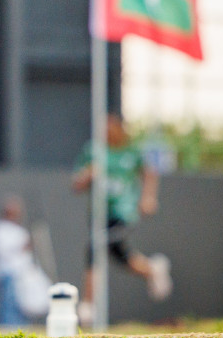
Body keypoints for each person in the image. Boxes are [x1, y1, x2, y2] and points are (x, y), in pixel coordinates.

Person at [72, 113, 172, 320]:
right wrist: (88, 175)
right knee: (120, 256)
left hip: (123, 212)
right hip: (99, 214)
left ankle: (88, 305)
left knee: (94, 247)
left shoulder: (132, 152)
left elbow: (149, 172)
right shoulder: (94, 152)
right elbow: (77, 184)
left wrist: (148, 197)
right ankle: (151, 269)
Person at [0, 196, 33, 327]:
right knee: (8, 305)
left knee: (22, 305)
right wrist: (20, 247)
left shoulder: (20, 230)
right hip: (6, 273)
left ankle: (21, 329)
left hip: (21, 274)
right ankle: (6, 329)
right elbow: (0, 250)